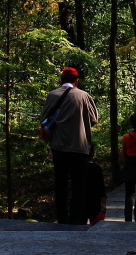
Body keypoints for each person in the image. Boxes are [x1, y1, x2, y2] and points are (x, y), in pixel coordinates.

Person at [40, 66, 99, 225]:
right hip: (80, 147)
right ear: (76, 81)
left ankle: (62, 219)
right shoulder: (84, 96)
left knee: (61, 185)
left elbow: (44, 120)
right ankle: (76, 221)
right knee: (79, 186)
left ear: (61, 81)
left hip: (58, 147)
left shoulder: (52, 95)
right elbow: (94, 119)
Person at [83, 150, 107, 226]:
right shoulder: (96, 168)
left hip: (81, 200)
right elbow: (101, 187)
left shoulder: (78, 168)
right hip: (95, 201)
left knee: (80, 225)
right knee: (95, 225)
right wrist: (103, 203)